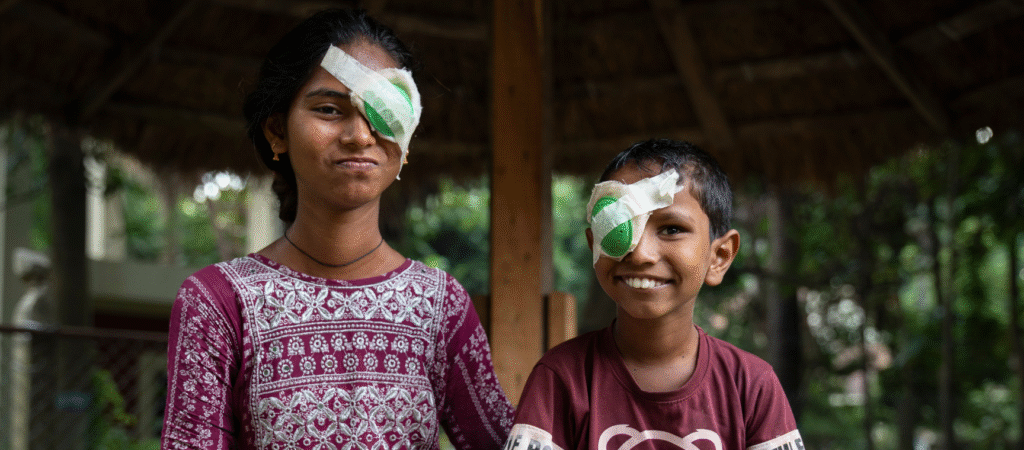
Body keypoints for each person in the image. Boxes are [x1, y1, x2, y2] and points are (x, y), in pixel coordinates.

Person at [161, 9, 513, 449]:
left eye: (383, 112)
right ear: (277, 131)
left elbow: (503, 441)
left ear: (406, 138)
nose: (360, 136)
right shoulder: (218, 304)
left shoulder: (441, 307)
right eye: (329, 109)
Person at [504, 139, 803, 450]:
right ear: (595, 246)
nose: (640, 253)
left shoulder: (751, 386)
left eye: (671, 229)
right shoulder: (560, 379)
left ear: (719, 256)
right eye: (619, 226)